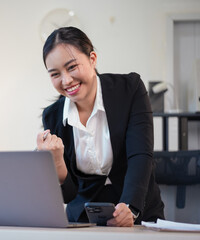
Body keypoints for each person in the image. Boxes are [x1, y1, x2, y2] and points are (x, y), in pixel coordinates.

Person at [36, 26, 164, 227]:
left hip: (140, 213)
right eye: (55, 74)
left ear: (92, 59)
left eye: (71, 67)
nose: (66, 80)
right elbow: (69, 194)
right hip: (84, 220)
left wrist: (130, 206)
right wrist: (56, 161)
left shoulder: (130, 89)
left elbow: (140, 156)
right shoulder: (52, 116)